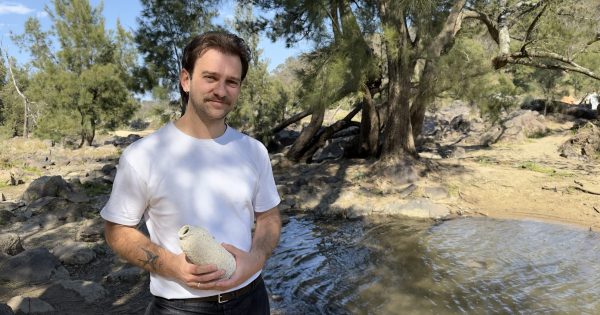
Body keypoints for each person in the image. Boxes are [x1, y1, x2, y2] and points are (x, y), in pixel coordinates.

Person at [101, 31, 282, 315]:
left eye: (231, 82)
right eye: (210, 77)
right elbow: (116, 230)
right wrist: (171, 265)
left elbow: (269, 217)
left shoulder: (254, 151)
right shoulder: (142, 155)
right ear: (186, 80)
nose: (221, 91)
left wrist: (255, 259)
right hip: (181, 307)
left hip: (252, 299)